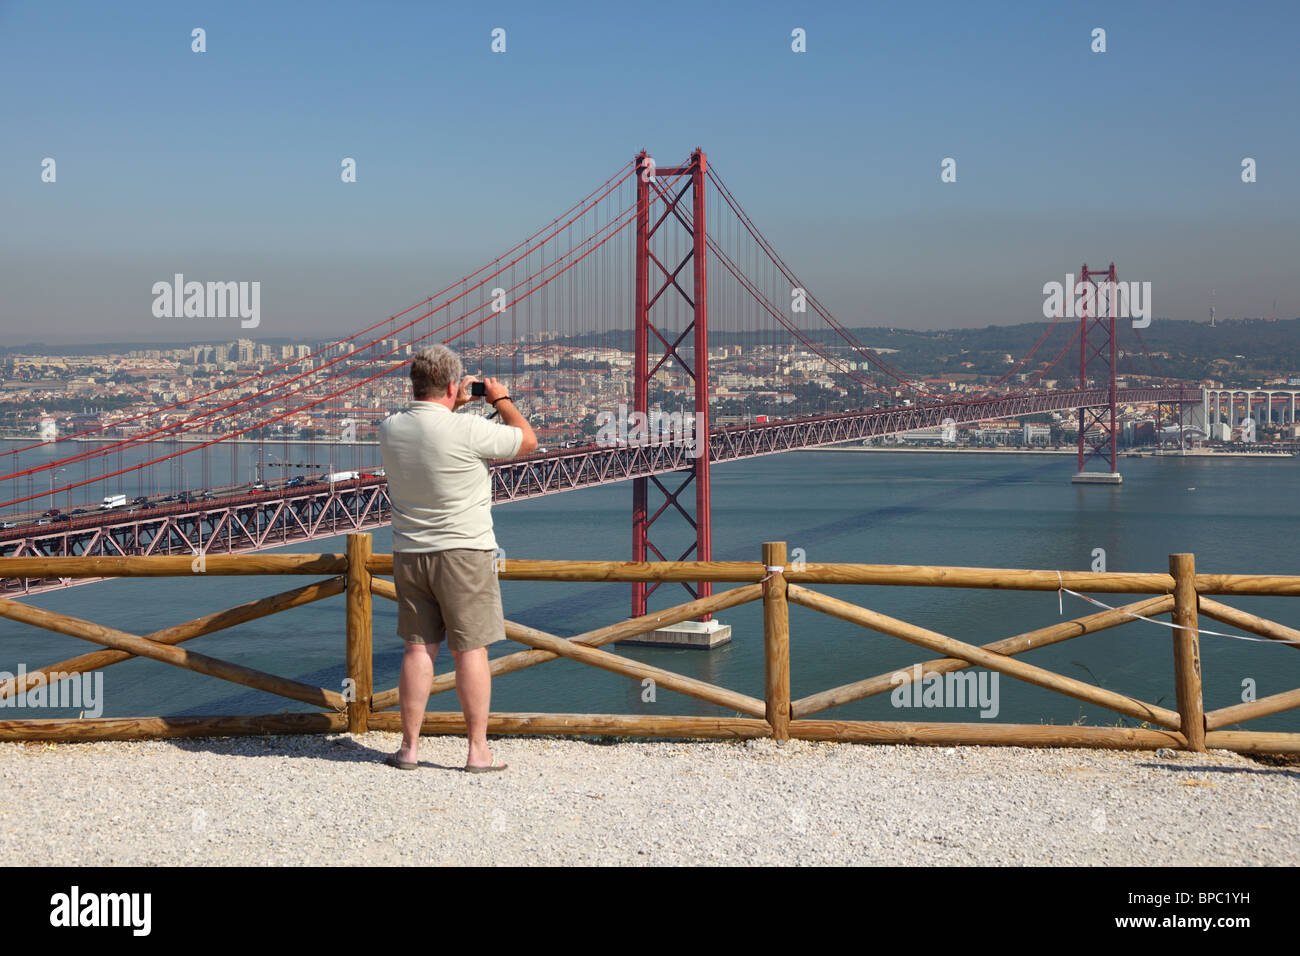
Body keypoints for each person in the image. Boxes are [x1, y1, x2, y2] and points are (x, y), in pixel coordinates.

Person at [378, 344, 537, 772]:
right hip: (465, 552)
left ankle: (409, 749)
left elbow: (429, 427)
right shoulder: (467, 431)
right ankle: (477, 752)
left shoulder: (389, 427)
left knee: (417, 650)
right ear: (453, 385)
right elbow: (527, 440)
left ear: (414, 384)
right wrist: (499, 399)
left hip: (410, 554)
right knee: (470, 651)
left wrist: (454, 403)